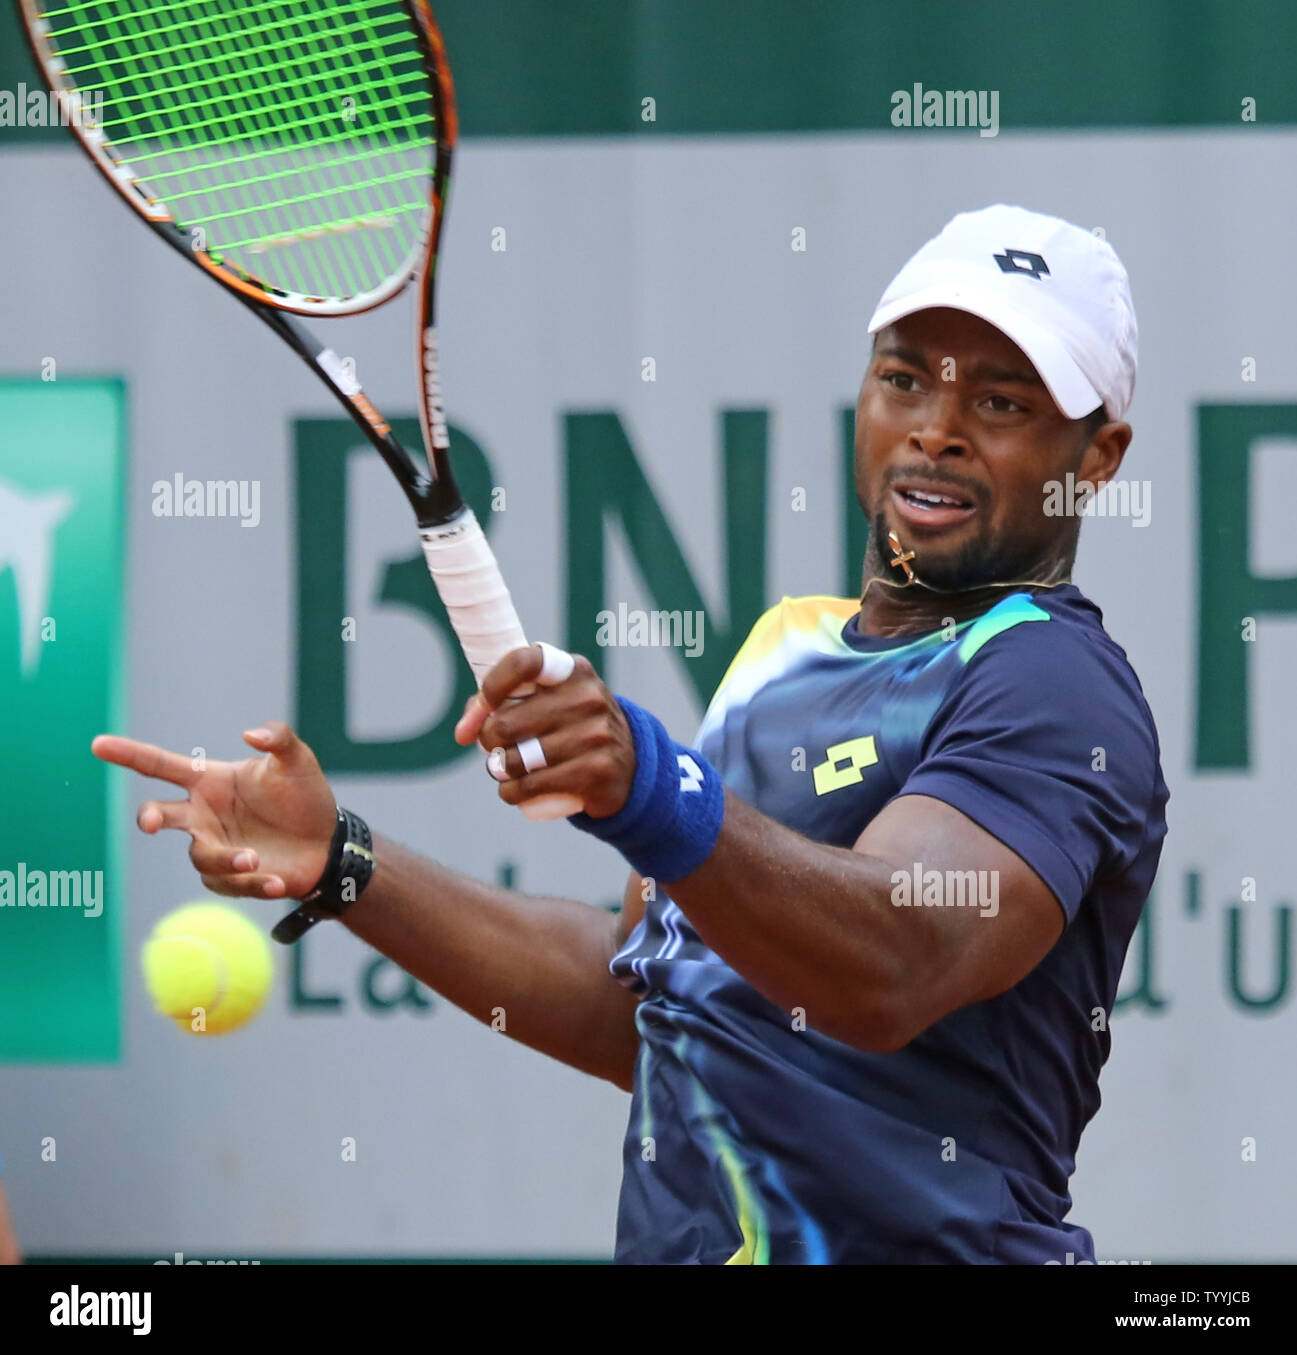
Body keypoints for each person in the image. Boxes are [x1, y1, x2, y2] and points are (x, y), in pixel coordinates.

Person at [94, 204, 1168, 1264]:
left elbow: (895, 960)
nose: (936, 426)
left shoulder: (1051, 683)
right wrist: (348, 864)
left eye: (1000, 399)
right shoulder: (784, 646)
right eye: (903, 378)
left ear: (1099, 454)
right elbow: (652, 1006)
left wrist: (653, 787)